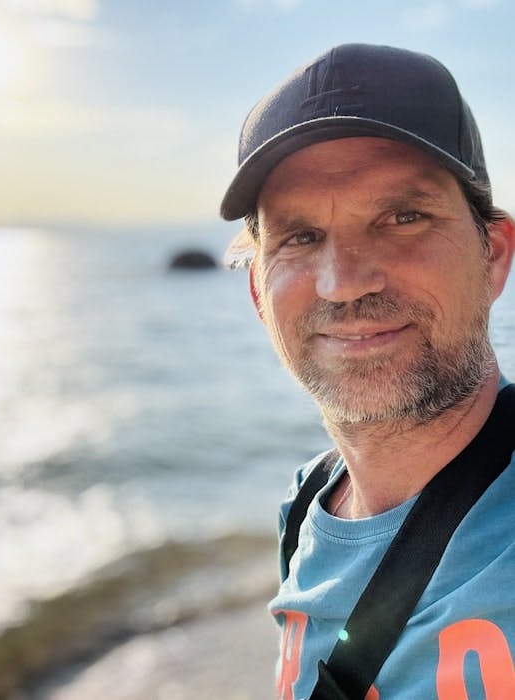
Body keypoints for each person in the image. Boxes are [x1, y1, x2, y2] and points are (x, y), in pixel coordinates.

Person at [219, 43, 515, 699]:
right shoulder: (305, 508)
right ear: (260, 294)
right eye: (298, 236)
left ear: (492, 256)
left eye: (402, 217)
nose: (345, 282)